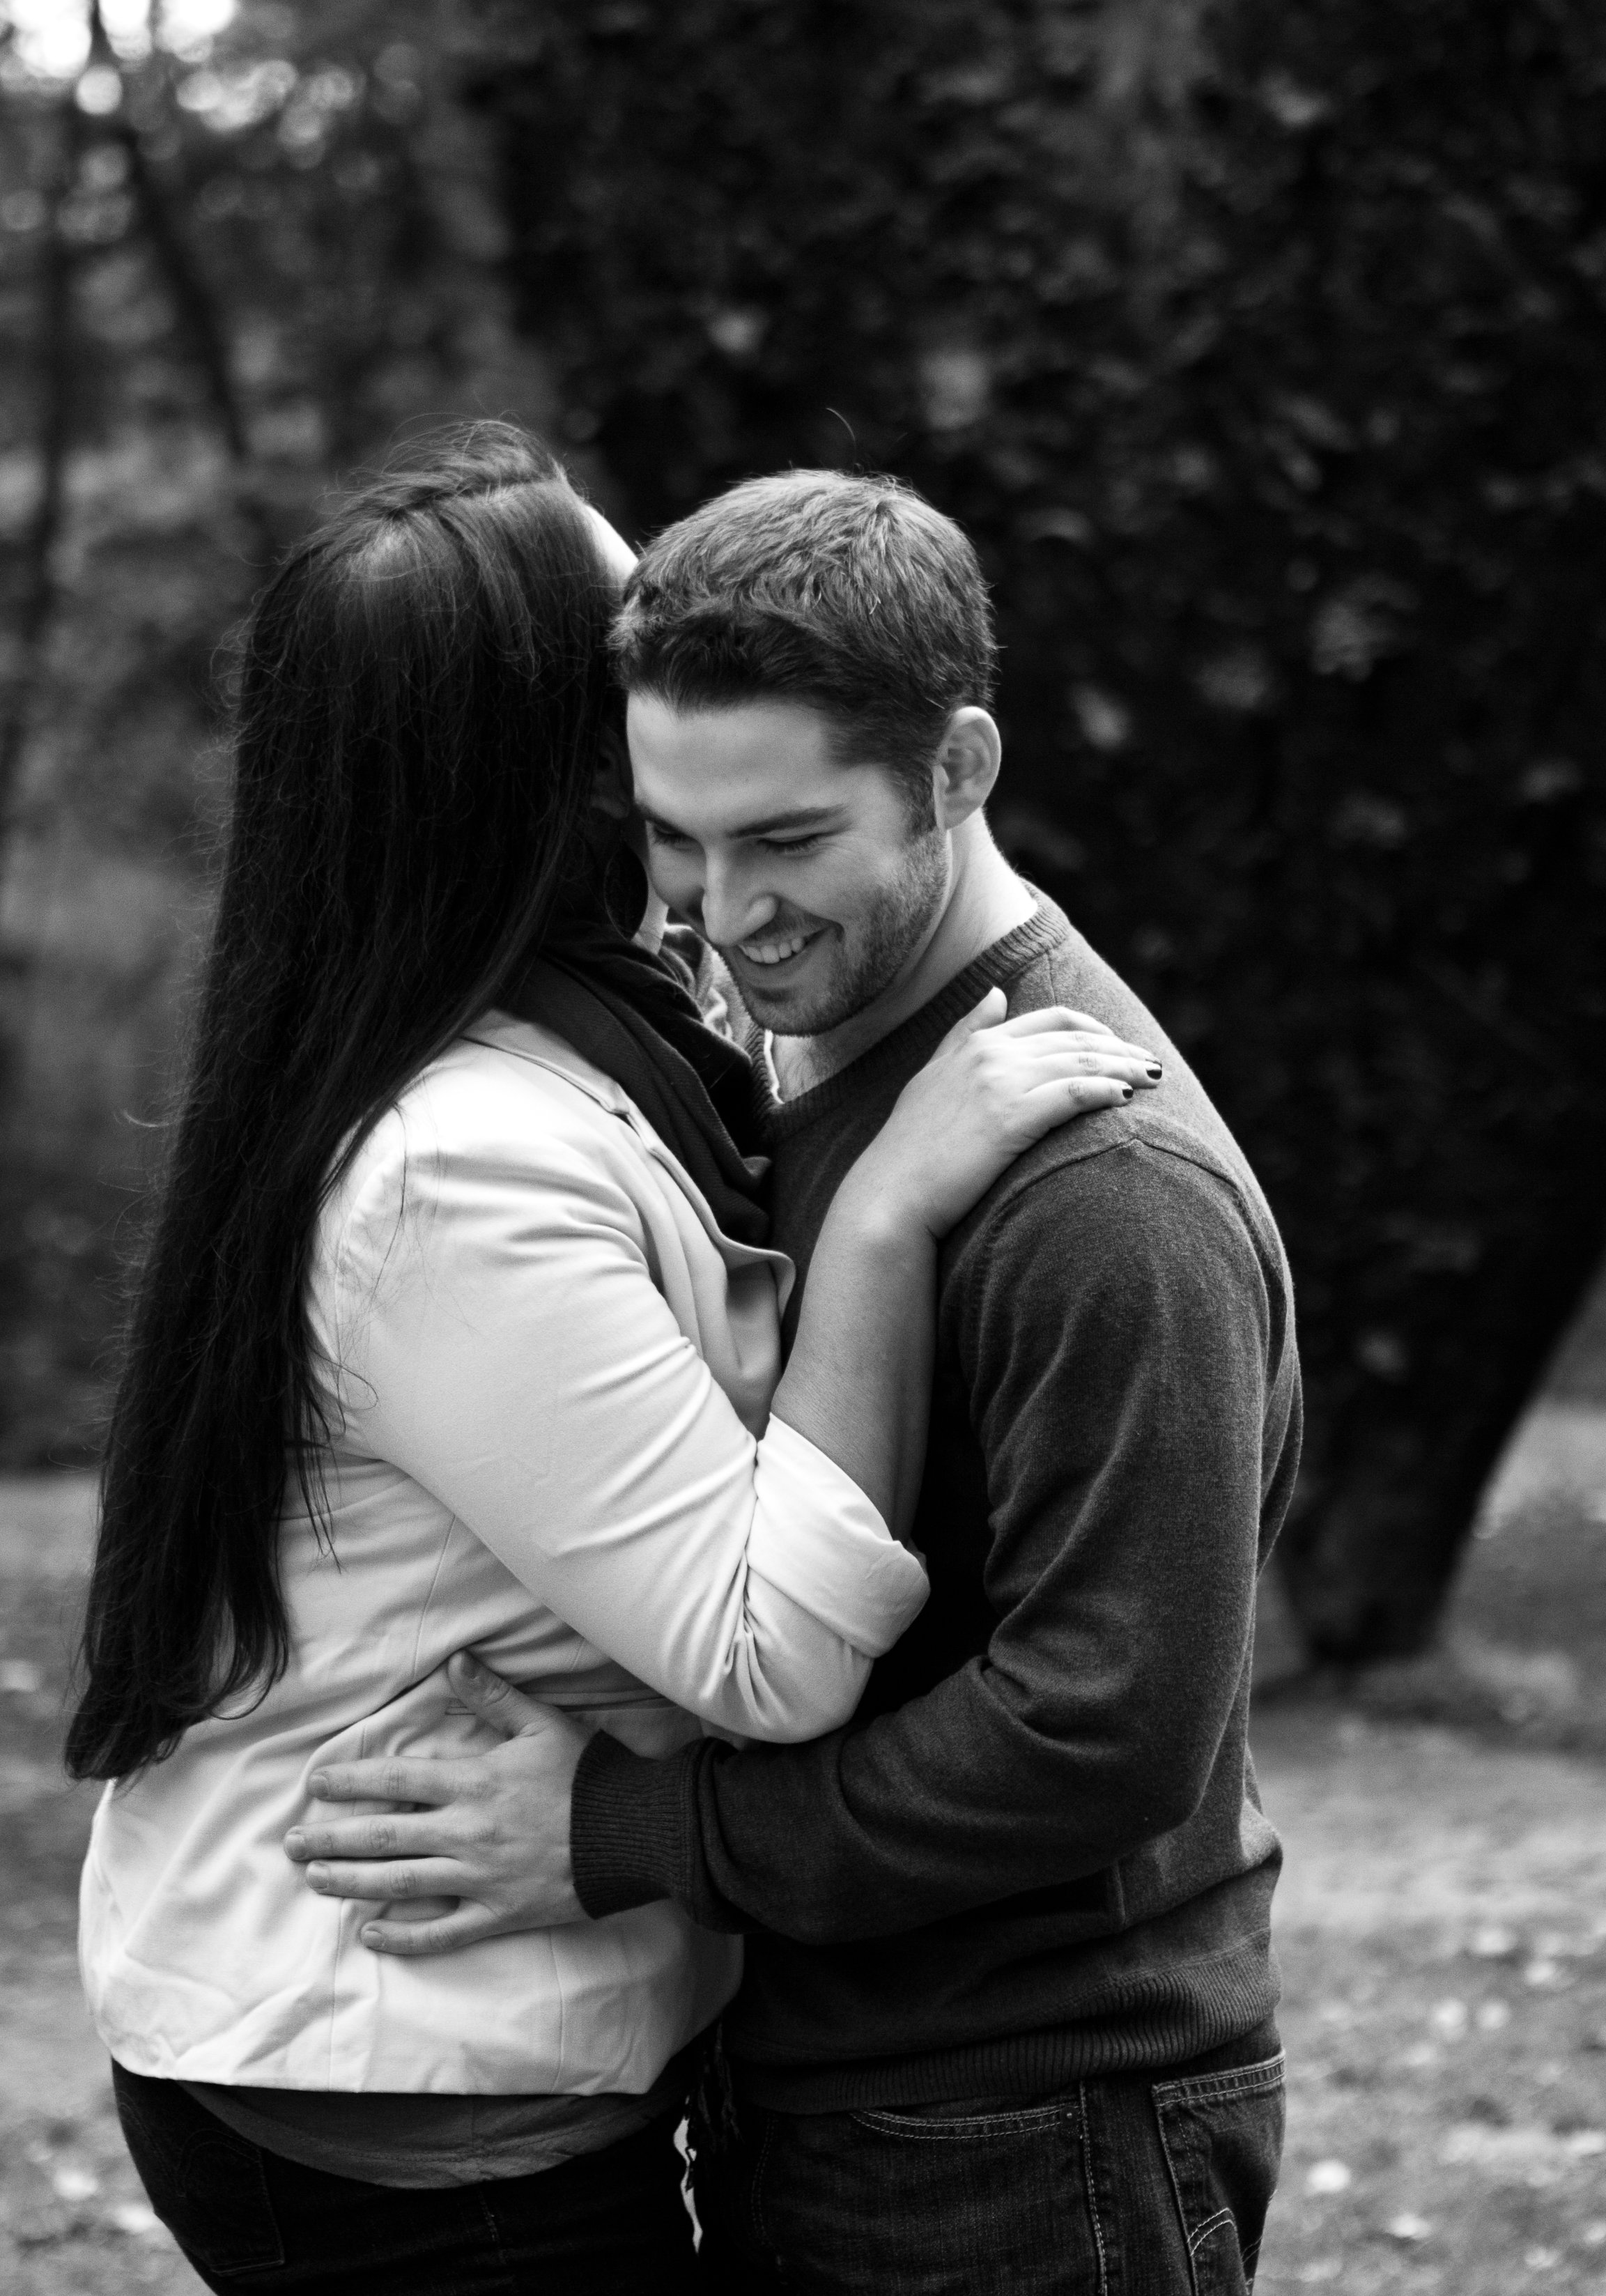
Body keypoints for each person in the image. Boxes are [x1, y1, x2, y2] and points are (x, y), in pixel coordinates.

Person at [65, 430, 1158, 2296]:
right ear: (555, 762)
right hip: (411, 2093)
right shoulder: (459, 1171)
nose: (679, 636)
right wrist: (887, 1225)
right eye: (627, 629)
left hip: (434, 2047)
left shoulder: (538, 1050)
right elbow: (768, 1651)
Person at [291, 469, 1304, 2295]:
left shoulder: (1096, 1195)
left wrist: (627, 1831)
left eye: (787, 840)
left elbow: (1105, 1731)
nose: (722, 912)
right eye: (676, 839)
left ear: (961, 765)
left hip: (1025, 2133)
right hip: (848, 2095)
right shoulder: (837, 1057)